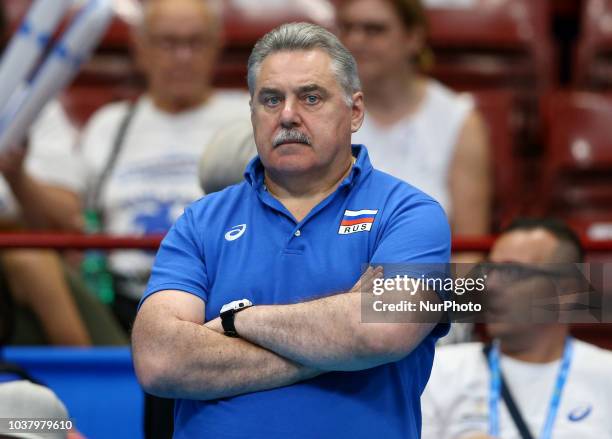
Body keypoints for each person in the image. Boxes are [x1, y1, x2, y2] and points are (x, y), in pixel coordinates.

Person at [132, 22, 451, 438]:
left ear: (355, 112)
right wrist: (338, 340)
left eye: (311, 97)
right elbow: (160, 361)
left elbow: (382, 332)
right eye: (270, 99)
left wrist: (235, 321)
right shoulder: (200, 221)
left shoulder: (410, 213)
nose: (287, 114)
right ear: (252, 112)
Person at [71, 0, 249, 331]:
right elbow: (70, 216)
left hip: (221, 298)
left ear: (216, 46)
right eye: (168, 42)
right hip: (120, 301)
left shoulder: (250, 118)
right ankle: (90, 373)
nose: (182, 56)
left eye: (194, 42)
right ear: (141, 49)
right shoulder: (110, 125)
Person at [421, 218, 612, 439]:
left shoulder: (605, 374)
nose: (490, 285)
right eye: (489, 270)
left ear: (566, 291)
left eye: (512, 272)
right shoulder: (438, 369)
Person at [335, 0, 491, 236]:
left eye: (374, 30)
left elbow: (469, 250)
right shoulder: (322, 111)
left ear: (413, 38)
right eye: (348, 28)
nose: (355, 41)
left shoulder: (458, 121)